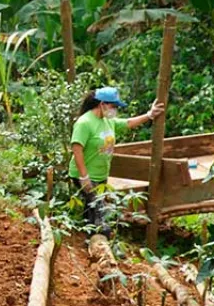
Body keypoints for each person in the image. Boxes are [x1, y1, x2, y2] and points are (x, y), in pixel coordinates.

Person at [68, 87, 165, 232]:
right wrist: (84, 177)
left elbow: (128, 123)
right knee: (101, 217)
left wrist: (149, 115)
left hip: (101, 175)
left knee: (93, 210)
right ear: (102, 104)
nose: (115, 110)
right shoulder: (85, 123)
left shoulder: (107, 121)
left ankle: (89, 240)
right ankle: (100, 239)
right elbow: (77, 149)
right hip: (85, 175)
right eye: (113, 106)